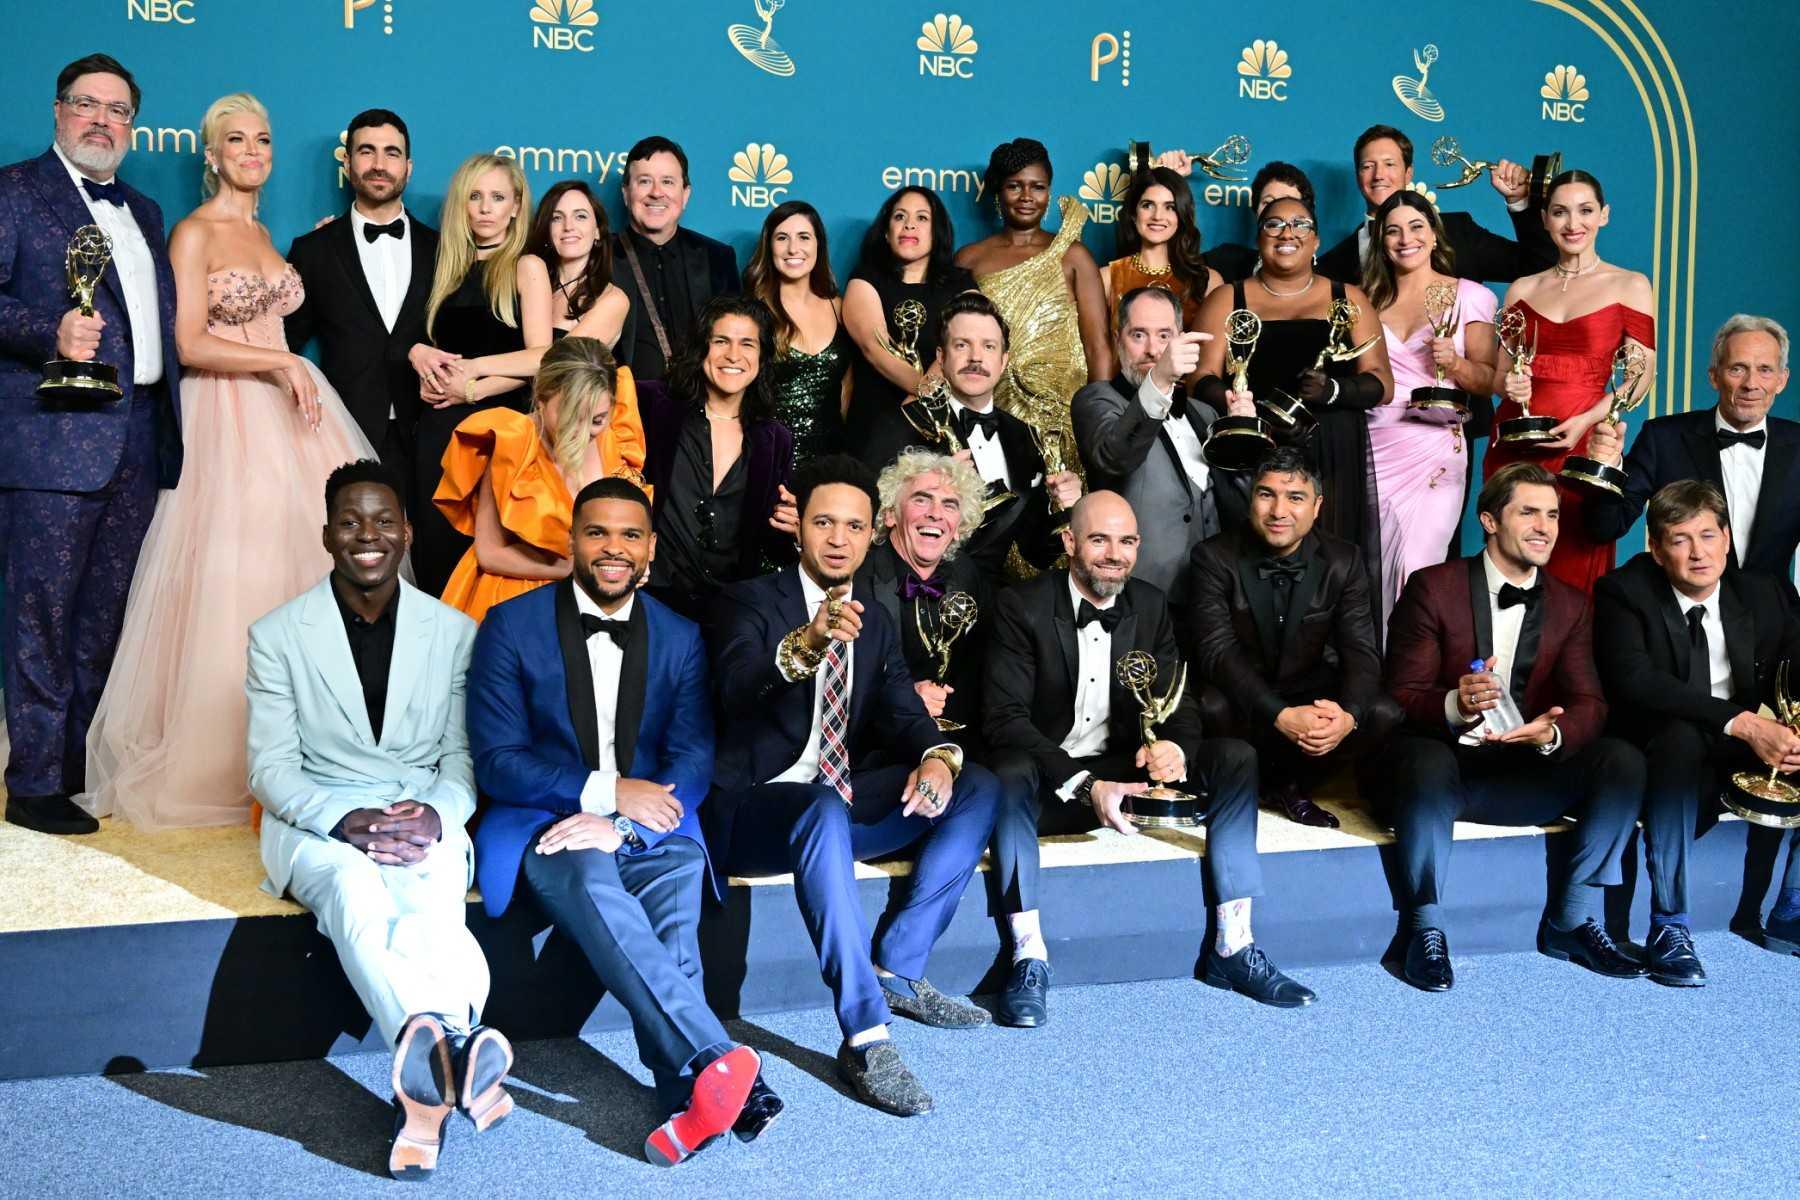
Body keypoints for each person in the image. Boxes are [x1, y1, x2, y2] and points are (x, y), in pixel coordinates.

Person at [82, 92, 377, 830]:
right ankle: (219, 760)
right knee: (235, 584)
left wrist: (289, 367)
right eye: (236, 140)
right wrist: (278, 367)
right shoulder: (195, 233)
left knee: (304, 572)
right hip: (231, 416)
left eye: (263, 140)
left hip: (295, 420)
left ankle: (309, 757)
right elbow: (185, 343)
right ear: (211, 155)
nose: (252, 151)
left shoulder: (269, 234)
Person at [466, 477, 774, 1164]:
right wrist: (606, 792)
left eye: (630, 534)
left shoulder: (681, 637)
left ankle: (691, 1098)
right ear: (572, 542)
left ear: (651, 549)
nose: (614, 548)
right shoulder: (511, 628)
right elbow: (498, 762)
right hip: (552, 823)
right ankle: (718, 1062)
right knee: (594, 879)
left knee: (674, 891)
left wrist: (628, 824)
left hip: (649, 826)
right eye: (597, 532)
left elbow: (693, 757)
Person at [705, 455, 1002, 1118]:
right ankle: (866, 1033)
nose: (838, 538)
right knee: (817, 807)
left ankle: (899, 965)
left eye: (853, 526)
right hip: (758, 812)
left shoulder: (875, 617)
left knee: (975, 784)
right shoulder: (749, 600)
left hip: (836, 806)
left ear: (874, 533)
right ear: (800, 530)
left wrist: (934, 759)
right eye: (823, 523)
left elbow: (902, 709)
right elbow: (737, 685)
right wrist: (805, 644)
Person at [245, 461, 507, 1181]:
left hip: (421, 812)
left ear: (407, 533)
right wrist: (344, 819)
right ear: (328, 535)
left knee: (431, 911)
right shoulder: (276, 634)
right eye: (352, 522)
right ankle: (454, 1045)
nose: (369, 535)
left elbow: (462, 758)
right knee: (356, 896)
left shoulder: (454, 632)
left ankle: (423, 1095)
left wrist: (437, 815)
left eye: (384, 520)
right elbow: (269, 768)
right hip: (315, 820)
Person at [983, 491, 1315, 1026]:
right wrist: (1088, 784)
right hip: (1053, 780)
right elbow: (1005, 721)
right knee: (1006, 772)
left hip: (1124, 775)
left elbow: (1177, 699)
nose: (1114, 553)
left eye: (1127, 541)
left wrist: (1173, 747)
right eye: (1098, 539)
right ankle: (1028, 954)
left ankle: (1233, 943)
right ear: (1069, 542)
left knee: (1234, 758)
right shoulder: (1020, 606)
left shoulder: (1151, 604)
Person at [0, 53, 181, 835]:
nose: (102, 120)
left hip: (138, 435)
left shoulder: (142, 209)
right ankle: (33, 782)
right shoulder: (14, 191)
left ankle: (74, 770)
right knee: (41, 614)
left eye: (118, 110)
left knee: (105, 617)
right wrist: (51, 332)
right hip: (50, 441)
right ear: (58, 110)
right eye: (87, 104)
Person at [1381, 463, 1647, 992]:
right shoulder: (1433, 587)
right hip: (1443, 768)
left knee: (1623, 760)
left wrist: (1550, 735)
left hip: (1523, 769)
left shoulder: (1572, 604)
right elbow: (1400, 696)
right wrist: (1456, 702)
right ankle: (1423, 929)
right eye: (1528, 512)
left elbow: (1589, 702)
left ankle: (1570, 921)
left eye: (1551, 515)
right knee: (1423, 758)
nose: (1545, 527)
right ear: (1489, 520)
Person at [1593, 481, 1800, 983]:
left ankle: (1791, 909)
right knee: (1681, 739)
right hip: (1659, 740)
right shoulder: (1624, 591)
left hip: (1739, 741)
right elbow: (1637, 682)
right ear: (1656, 549)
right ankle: (1670, 927)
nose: (1698, 552)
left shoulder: (1764, 591)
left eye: (1708, 535)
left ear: (1727, 538)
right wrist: (1746, 723)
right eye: (1680, 539)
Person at [1190, 449, 1403, 829]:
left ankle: (1293, 786)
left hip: (1309, 695)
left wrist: (1347, 718)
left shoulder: (1344, 559)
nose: (1278, 511)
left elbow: (1362, 652)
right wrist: (1279, 714)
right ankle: (1241, 785)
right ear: (1251, 497)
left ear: (1318, 505)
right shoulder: (1212, 557)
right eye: (1266, 494)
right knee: (1207, 704)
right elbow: (1216, 653)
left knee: (1382, 711)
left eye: (1295, 497)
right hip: (1243, 702)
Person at [1192, 195, 1394, 585]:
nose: (1287, 232)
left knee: (1328, 569)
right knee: (1252, 572)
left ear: (1317, 241)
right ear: (1259, 238)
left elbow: (1382, 383)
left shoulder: (1347, 298)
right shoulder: (1227, 298)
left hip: (1330, 448)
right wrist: (1238, 404)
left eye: (1300, 224)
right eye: (1274, 224)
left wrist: (1333, 389)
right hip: (1255, 447)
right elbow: (1200, 378)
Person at [1488, 170, 1656, 594]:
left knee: (1572, 572)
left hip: (1581, 449)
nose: (1572, 223)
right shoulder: (1521, 289)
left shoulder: (1630, 285)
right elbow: (1500, 376)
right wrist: (1511, 386)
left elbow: (1641, 379)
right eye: (1560, 212)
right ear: (1544, 218)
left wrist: (1586, 422)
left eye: (1585, 211)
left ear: (1604, 216)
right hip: (1515, 443)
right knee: (1510, 562)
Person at [862, 293, 1082, 584]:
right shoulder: (902, 424)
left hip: (991, 610)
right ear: (941, 357)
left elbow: (1036, 553)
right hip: (910, 599)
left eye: (988, 347)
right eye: (962, 345)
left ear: (1004, 361)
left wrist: (1065, 508)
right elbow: (866, 526)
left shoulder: (1026, 437)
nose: (976, 358)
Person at [407, 154, 548, 597]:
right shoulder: (441, 266)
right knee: (436, 555)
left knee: (489, 563)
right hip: (437, 433)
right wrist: (422, 364)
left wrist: (472, 381)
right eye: (475, 196)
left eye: (498, 197)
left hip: (498, 434)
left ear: (515, 205)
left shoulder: (527, 266)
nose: (486, 208)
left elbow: (542, 358)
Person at [1364, 190, 1498, 630]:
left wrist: (1455, 364)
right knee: (1371, 574)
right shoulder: (1367, 302)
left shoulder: (1471, 296)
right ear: (1380, 240)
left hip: (1435, 450)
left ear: (1434, 235)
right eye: (1394, 230)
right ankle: (1377, 689)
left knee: (1419, 569)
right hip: (1375, 448)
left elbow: (1489, 379)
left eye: (1416, 227)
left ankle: (1409, 682)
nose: (1406, 239)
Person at [1585, 314, 1799, 581]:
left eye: (1765, 370)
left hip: (1773, 615)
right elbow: (1605, 528)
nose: (1751, 384)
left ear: (1782, 380)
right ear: (1714, 376)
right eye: (1737, 369)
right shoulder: (1663, 438)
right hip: (1679, 615)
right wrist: (1606, 468)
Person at [433, 337, 630, 623]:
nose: (583, 432)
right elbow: (489, 553)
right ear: (541, 398)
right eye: (570, 419)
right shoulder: (514, 443)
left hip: (601, 598)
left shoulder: (616, 439)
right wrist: (569, 570)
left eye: (597, 419)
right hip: (519, 600)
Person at [1072, 286, 1248, 606]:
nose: (1154, 350)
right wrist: (1161, 382)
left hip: (1213, 596)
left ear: (1180, 338)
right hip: (1138, 595)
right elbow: (1115, 458)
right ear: (1117, 339)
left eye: (1165, 336)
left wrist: (1244, 436)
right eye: (1138, 335)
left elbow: (1241, 505)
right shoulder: (1097, 400)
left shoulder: (1204, 413)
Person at [285, 108, 436, 475]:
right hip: (342, 434)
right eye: (367, 151)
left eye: (392, 153)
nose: (379, 164)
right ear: (348, 163)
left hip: (430, 431)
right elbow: (283, 344)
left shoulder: (444, 249)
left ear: (409, 167)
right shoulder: (313, 250)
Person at [641, 296, 798, 625]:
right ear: (702, 348)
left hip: (728, 610)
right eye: (721, 341)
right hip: (649, 598)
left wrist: (796, 529)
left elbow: (773, 542)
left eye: (748, 344)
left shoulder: (775, 440)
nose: (733, 355)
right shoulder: (653, 405)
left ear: (762, 356)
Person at [956, 139, 1112, 452]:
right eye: (1015, 186)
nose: (1027, 197)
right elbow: (954, 343)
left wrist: (1099, 419)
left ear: (1049, 191)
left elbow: (1098, 347)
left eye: (1037, 187)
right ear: (998, 191)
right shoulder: (969, 259)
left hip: (1063, 421)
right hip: (989, 411)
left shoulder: (1072, 255)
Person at [856, 449, 993, 745]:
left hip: (949, 739)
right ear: (890, 514)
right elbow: (845, 685)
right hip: (871, 743)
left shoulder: (967, 575)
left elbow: (976, 668)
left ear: (960, 527)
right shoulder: (860, 579)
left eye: (950, 504)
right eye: (921, 499)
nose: (936, 513)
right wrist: (906, 698)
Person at [1317, 124, 1556, 284]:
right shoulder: (1331, 266)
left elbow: (1539, 267)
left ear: (1408, 173)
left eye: (1390, 164)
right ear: (1358, 175)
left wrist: (1520, 202)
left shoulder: (1459, 232)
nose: (1379, 174)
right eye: (1368, 166)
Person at [842, 186, 977, 460]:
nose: (909, 225)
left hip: (943, 428)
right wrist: (920, 400)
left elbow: (966, 344)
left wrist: (922, 403)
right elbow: (875, 349)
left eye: (922, 218)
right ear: (886, 230)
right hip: (875, 425)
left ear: (937, 231)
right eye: (899, 216)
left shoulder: (960, 284)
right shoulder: (865, 279)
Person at [612, 136, 740, 384]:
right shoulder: (599, 257)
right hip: (621, 413)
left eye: (667, 182)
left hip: (700, 410)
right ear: (626, 193)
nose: (657, 192)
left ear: (686, 194)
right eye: (644, 181)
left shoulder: (718, 258)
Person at [744, 200, 851, 465]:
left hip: (830, 460)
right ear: (769, 247)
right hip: (768, 458)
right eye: (782, 238)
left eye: (804, 237)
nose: (794, 248)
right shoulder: (753, 311)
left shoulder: (839, 307)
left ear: (818, 245)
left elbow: (848, 387)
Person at [1163, 155, 1314, 284]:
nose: (1278, 212)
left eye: (1287, 202)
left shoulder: (1327, 278)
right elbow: (1168, 274)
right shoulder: (1224, 262)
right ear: (1256, 211)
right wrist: (1167, 184)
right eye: (1268, 203)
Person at [1104, 165, 1224, 322]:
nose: (1158, 216)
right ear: (1134, 214)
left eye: (1170, 207)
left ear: (1181, 216)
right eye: (1148, 205)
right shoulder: (1107, 278)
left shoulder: (1208, 281)